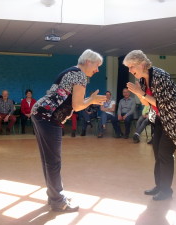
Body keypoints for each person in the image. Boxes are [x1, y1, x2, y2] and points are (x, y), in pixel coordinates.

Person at [31, 49, 106, 212]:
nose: (97, 70)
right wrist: (92, 100)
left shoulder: (69, 71)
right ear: (88, 62)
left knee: (48, 160)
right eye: (97, 66)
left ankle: (54, 196)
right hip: (49, 118)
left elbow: (71, 101)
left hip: (40, 113)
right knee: (53, 162)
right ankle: (58, 201)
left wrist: (90, 100)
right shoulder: (80, 75)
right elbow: (78, 106)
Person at [124, 50, 176, 201]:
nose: (130, 70)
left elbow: (162, 104)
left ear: (142, 64)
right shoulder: (142, 79)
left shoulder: (160, 76)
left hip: (175, 118)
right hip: (161, 118)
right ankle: (159, 186)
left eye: (131, 67)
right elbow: (146, 103)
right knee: (157, 152)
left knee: (165, 154)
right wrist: (138, 93)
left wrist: (140, 93)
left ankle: (166, 191)